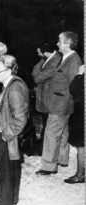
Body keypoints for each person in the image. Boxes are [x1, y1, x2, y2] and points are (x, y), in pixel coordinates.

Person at [36, 31, 82, 175]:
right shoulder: (66, 58)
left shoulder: (74, 60)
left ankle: (48, 166)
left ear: (68, 43)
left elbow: (75, 85)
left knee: (51, 134)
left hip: (61, 104)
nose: (57, 44)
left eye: (60, 41)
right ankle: (62, 159)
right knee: (62, 132)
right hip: (59, 103)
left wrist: (65, 102)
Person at [0, 55, 29, 205]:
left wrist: (5, 136)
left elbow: (20, 121)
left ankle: (4, 204)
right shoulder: (10, 84)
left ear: (9, 70)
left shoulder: (15, 89)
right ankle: (11, 197)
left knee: (4, 171)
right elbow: (8, 101)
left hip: (6, 136)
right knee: (11, 169)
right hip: (5, 134)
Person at [31, 42, 62, 155]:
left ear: (47, 53)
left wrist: (41, 60)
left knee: (48, 125)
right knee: (46, 123)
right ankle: (43, 146)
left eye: (40, 53)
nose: (38, 54)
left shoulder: (55, 62)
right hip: (46, 96)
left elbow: (37, 77)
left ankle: (44, 149)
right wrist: (43, 58)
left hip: (50, 98)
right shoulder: (50, 59)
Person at [64, 65, 84, 184]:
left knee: (81, 147)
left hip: (82, 114)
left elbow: (74, 89)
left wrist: (79, 74)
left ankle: (80, 175)